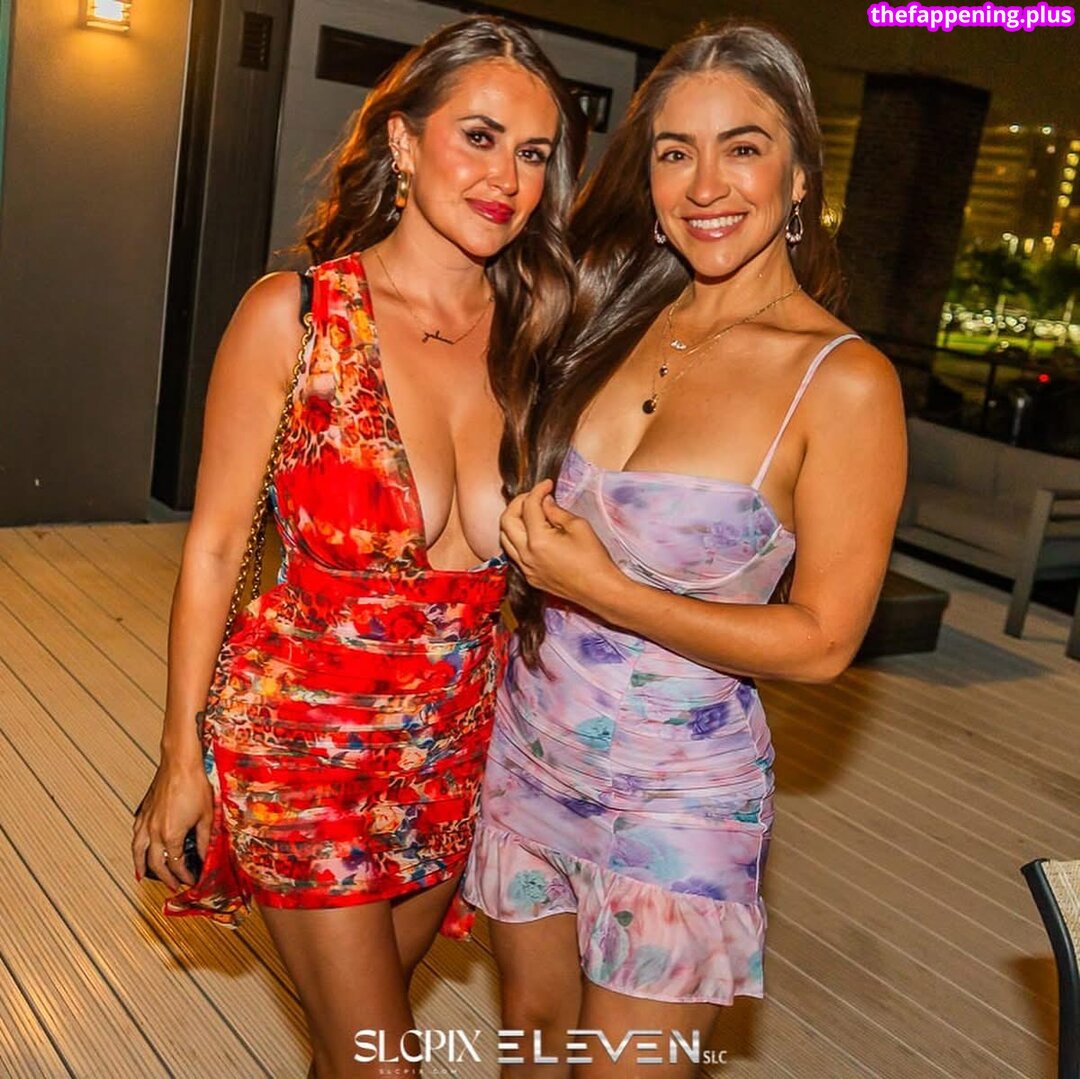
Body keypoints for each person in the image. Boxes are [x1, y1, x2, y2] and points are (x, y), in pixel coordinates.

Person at [131, 16, 585, 1078]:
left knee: (352, 1048)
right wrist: (180, 756)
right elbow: (214, 550)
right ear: (403, 141)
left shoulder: (541, 334)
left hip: (456, 751)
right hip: (304, 740)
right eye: (479, 136)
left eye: (533, 153)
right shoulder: (294, 316)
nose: (507, 178)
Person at [464, 19, 907, 1077]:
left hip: (680, 795)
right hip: (527, 752)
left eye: (743, 148)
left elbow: (822, 642)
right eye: (675, 152)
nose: (706, 185)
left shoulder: (843, 383)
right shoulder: (605, 316)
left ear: (799, 177)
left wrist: (605, 587)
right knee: (531, 1041)